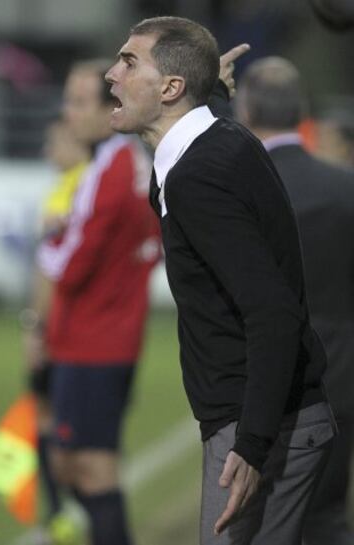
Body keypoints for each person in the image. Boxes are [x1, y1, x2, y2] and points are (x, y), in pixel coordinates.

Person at [105, 16, 336, 545]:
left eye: (129, 62)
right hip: (273, 419)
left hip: (262, 427)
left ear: (170, 88)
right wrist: (215, 95)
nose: (112, 75)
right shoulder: (215, 142)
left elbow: (272, 311)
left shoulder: (199, 175)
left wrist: (252, 445)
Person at [37, 59, 161, 545]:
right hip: (113, 334)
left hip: (91, 341)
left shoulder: (106, 167)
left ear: (111, 106)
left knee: (89, 468)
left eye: (78, 101)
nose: (68, 113)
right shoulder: (136, 162)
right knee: (75, 462)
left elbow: (67, 265)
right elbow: (155, 245)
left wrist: (50, 236)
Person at [236, 56, 354, 545]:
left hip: (259, 389)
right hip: (340, 378)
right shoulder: (345, 187)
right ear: (300, 112)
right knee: (325, 518)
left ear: (246, 109)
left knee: (250, 520)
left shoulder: (237, 187)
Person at [22, 118, 90, 523]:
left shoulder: (76, 190)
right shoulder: (69, 186)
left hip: (62, 330)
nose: (48, 152)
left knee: (53, 421)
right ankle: (62, 509)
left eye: (54, 143)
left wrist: (35, 326)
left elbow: (52, 269)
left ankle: (63, 509)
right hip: (67, 328)